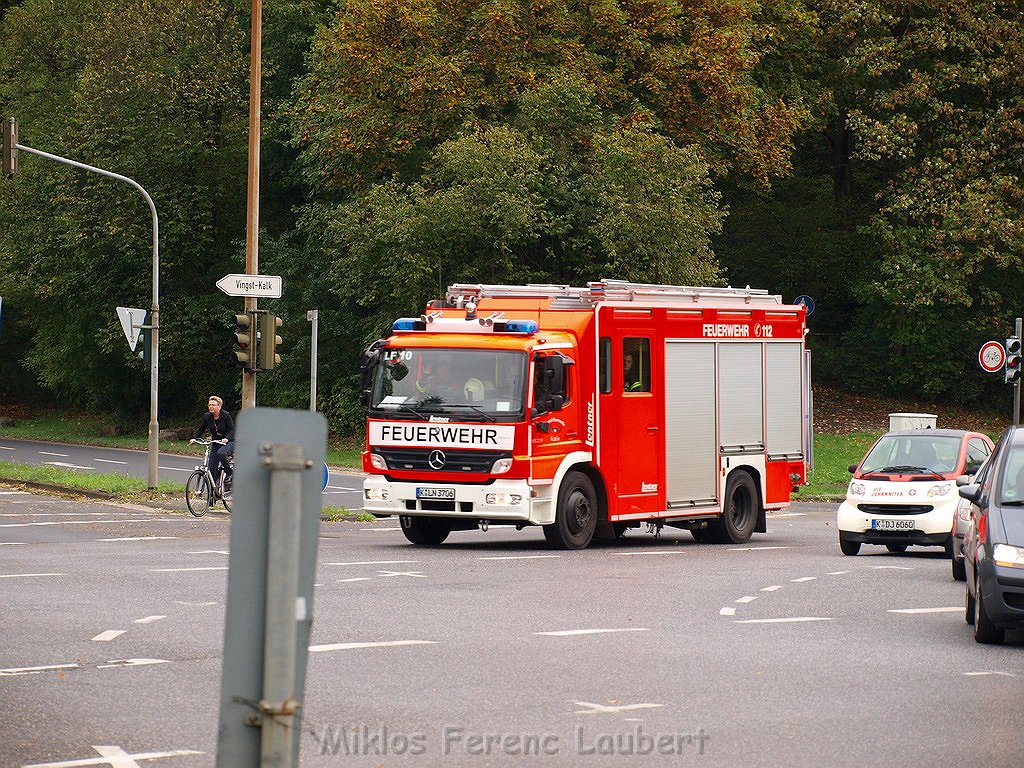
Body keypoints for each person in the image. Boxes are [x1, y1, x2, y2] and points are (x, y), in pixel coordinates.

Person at [192, 395, 234, 493]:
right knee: (211, 470)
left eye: (213, 405)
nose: (211, 407)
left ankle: (229, 473)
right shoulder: (207, 416)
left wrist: (226, 439)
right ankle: (211, 498)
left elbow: (232, 430)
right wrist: (194, 438)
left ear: (219, 406)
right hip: (215, 443)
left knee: (221, 453)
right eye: (209, 405)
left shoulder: (226, 415)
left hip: (229, 442)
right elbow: (201, 429)